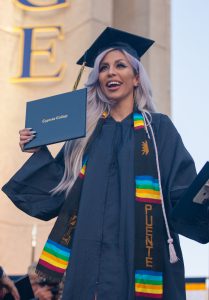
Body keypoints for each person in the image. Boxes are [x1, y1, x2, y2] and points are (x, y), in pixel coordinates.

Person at [2, 27, 209, 300]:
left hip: (142, 255)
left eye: (120, 65)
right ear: (97, 79)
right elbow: (59, 193)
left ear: (136, 78)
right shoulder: (84, 136)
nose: (110, 72)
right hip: (88, 262)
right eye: (103, 68)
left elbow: (180, 192)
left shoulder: (158, 130)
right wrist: (39, 151)